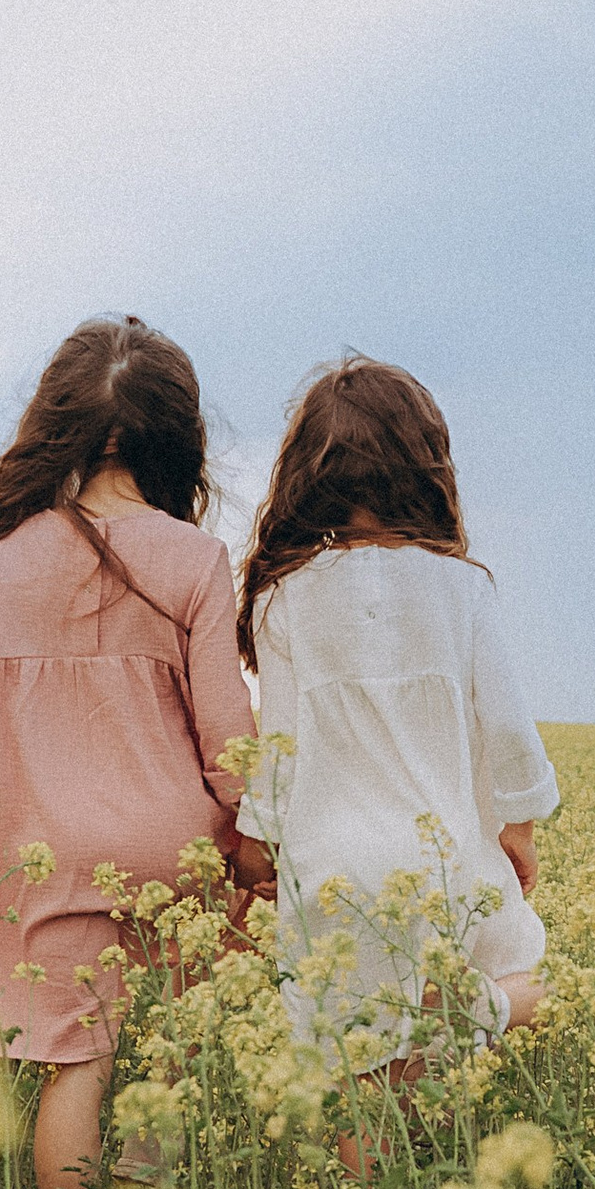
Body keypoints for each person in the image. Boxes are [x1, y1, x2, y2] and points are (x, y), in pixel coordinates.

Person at [0, 316, 265, 1189]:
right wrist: (252, 839)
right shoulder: (194, 558)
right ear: (175, 440)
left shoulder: (9, 558)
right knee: (170, 1051)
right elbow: (228, 736)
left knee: (79, 1061)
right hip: (171, 851)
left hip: (50, 850)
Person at [235, 355, 556, 1057]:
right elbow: (508, 727)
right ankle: (488, 1010)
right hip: (443, 858)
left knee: (356, 1057)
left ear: (307, 481)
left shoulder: (281, 598)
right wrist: (520, 828)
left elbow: (277, 751)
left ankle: (366, 1173)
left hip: (335, 871)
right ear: (426, 470)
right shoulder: (463, 588)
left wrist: (257, 849)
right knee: (486, 1016)